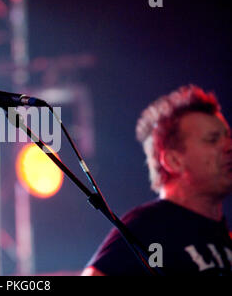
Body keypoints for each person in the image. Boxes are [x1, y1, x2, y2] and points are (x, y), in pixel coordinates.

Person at [82, 85, 232, 276]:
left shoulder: (222, 237)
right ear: (173, 160)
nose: (228, 146)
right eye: (212, 140)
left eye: (229, 137)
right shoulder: (147, 227)